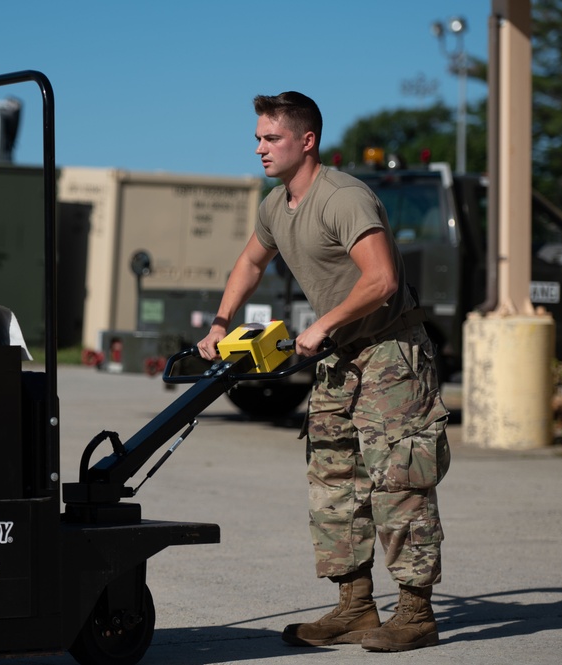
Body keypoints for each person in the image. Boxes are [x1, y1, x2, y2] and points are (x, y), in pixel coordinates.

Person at [197, 91, 451, 652]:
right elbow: (250, 261)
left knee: (399, 480)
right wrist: (219, 322)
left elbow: (382, 278)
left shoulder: (344, 198)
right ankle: (356, 606)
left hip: (390, 351)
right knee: (333, 480)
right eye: (258, 137)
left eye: (271, 138)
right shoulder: (275, 203)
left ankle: (415, 612)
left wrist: (322, 325)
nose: (259, 147)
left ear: (306, 141)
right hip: (340, 359)